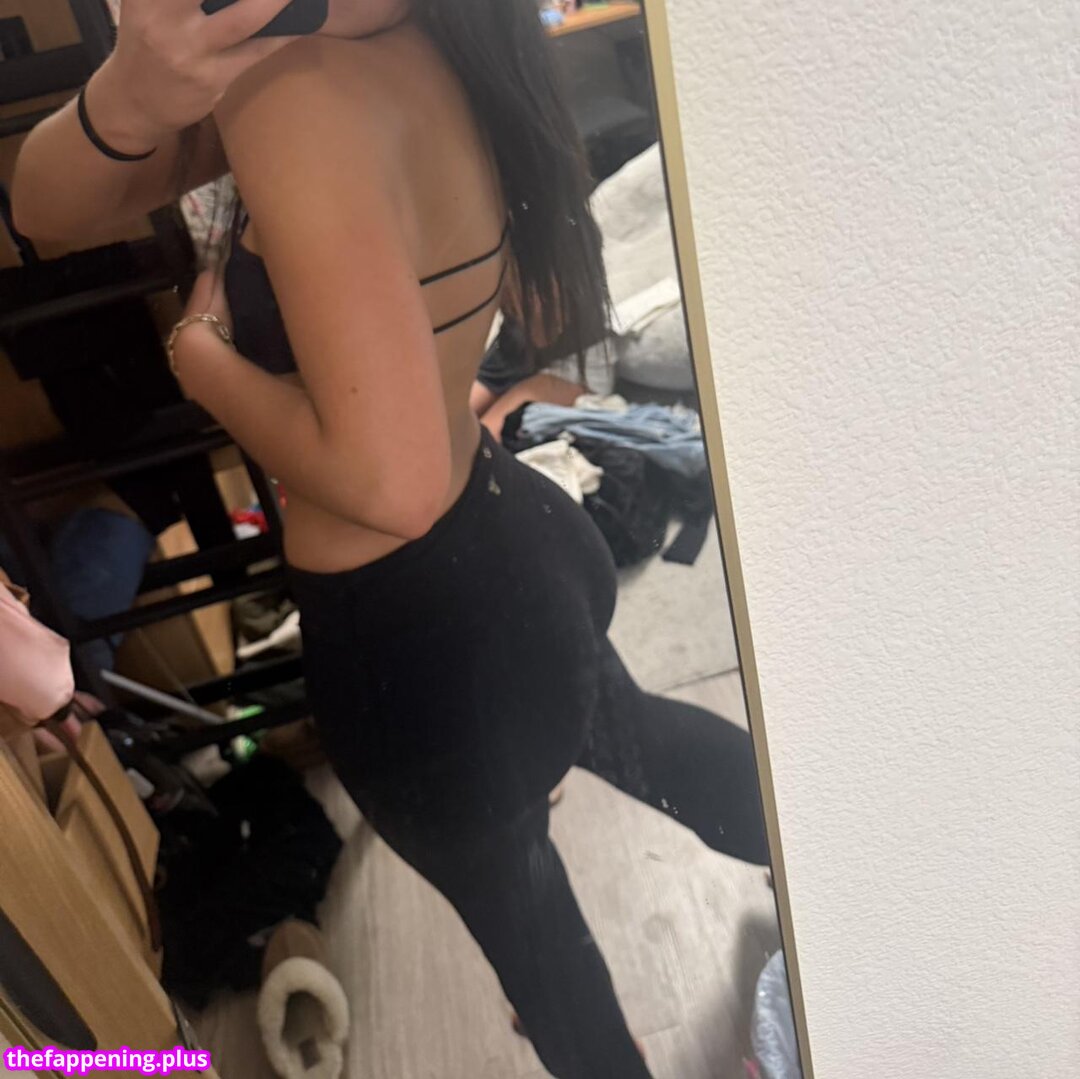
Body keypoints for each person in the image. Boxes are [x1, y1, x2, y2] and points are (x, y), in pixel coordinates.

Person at [13, 3, 769, 1076]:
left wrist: (202, 360)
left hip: (418, 650)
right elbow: (44, 202)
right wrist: (133, 88)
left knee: (534, 935)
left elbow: (391, 487)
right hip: (518, 549)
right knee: (632, 737)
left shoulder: (294, 94)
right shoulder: (433, 34)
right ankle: (842, 882)